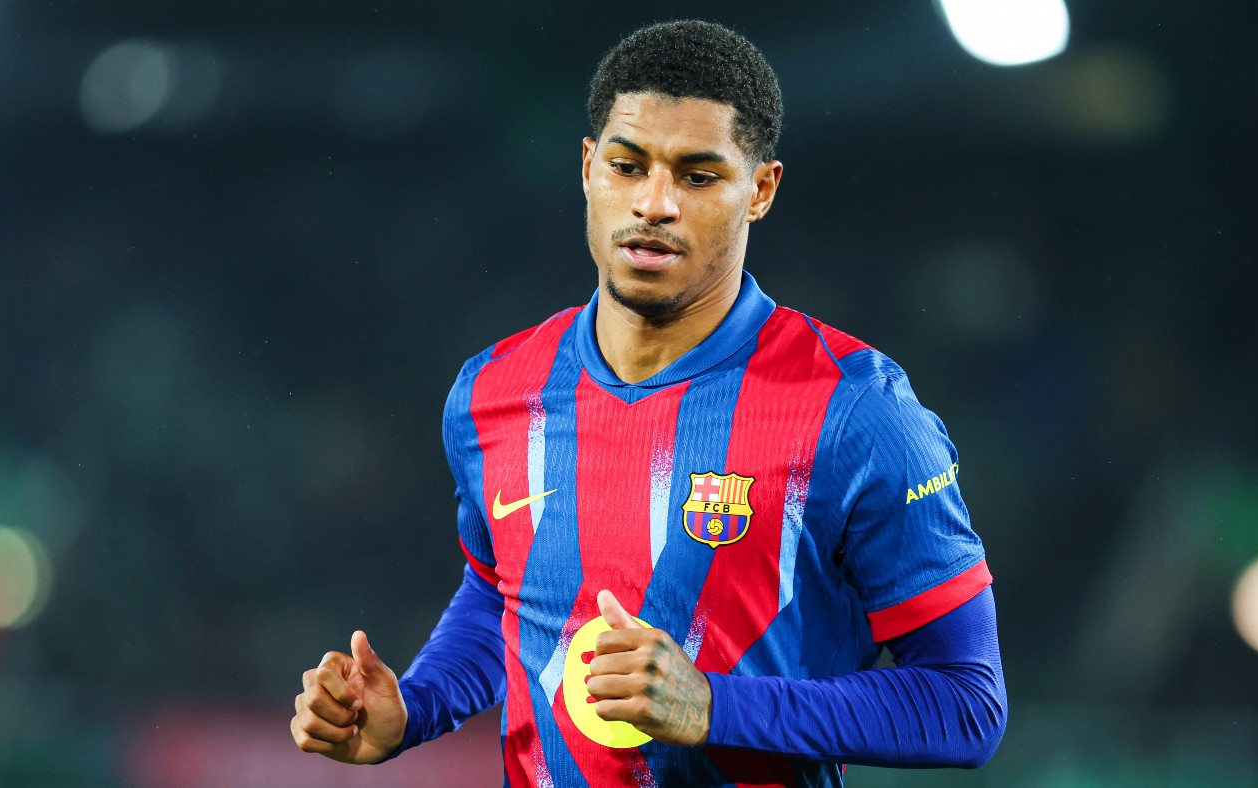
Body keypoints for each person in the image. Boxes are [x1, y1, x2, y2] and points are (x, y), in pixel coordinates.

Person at [291, 19, 1006, 787]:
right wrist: (416, 708)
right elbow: (503, 592)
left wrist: (714, 705)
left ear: (760, 190)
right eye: (628, 166)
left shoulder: (857, 411)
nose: (655, 203)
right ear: (589, 167)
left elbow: (966, 704)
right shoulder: (493, 391)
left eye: (698, 176)